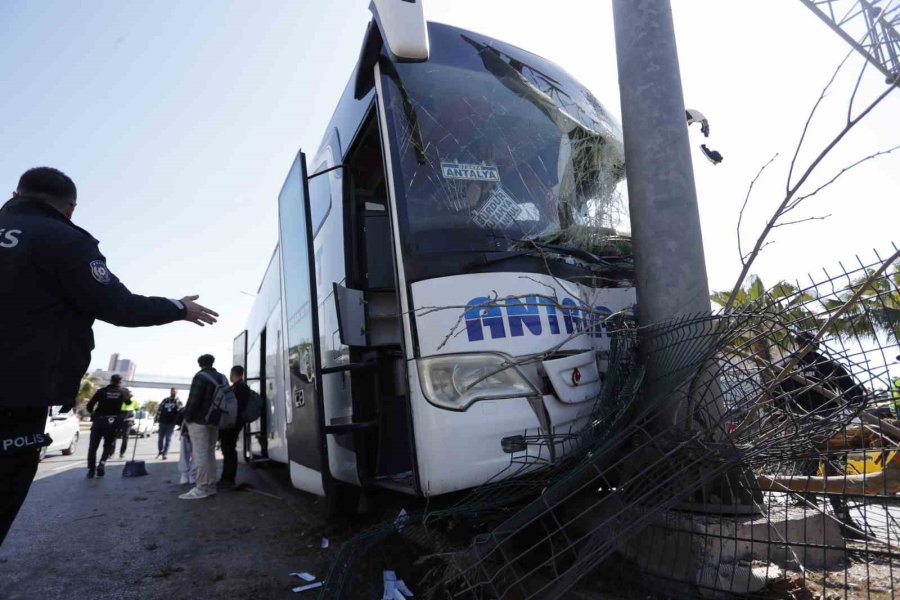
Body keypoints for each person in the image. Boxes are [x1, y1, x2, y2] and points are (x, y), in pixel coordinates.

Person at [0, 167, 218, 546]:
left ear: (16, 194)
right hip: (15, 396)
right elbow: (119, 306)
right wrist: (178, 307)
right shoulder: (63, 240)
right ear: (71, 208)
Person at [180, 354, 228, 500]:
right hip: (215, 421)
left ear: (200, 364)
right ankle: (211, 486)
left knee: (200, 455)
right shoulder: (222, 378)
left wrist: (186, 419)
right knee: (210, 454)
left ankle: (202, 488)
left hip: (199, 421)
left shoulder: (200, 376)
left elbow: (193, 400)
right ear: (213, 362)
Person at [85, 375, 130, 478]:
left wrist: (93, 414)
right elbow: (129, 404)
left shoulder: (102, 391)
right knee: (108, 445)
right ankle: (102, 463)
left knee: (93, 446)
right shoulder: (124, 392)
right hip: (112, 421)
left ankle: (91, 470)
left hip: (99, 420)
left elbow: (89, 406)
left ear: (111, 380)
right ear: (120, 382)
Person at [219, 366, 250, 488]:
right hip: (233, 423)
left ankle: (228, 478)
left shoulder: (239, 388)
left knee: (229, 450)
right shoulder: (240, 387)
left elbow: (233, 406)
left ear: (233, 374)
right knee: (228, 450)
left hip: (232, 423)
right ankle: (226, 478)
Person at [155, 388, 183, 460]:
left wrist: (179, 422)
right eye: (172, 391)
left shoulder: (178, 401)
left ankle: (165, 454)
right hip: (162, 422)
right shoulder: (165, 400)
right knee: (160, 438)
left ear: (177, 392)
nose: (173, 392)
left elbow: (180, 411)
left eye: (174, 391)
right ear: (170, 392)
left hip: (171, 423)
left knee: (168, 438)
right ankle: (160, 451)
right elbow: (159, 409)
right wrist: (156, 418)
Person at [117, 393, 140, 459]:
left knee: (125, 436)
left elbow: (137, 409)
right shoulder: (120, 399)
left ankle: (122, 452)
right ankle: (111, 452)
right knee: (115, 435)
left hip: (129, 420)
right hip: (119, 419)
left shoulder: (134, 400)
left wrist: (138, 410)